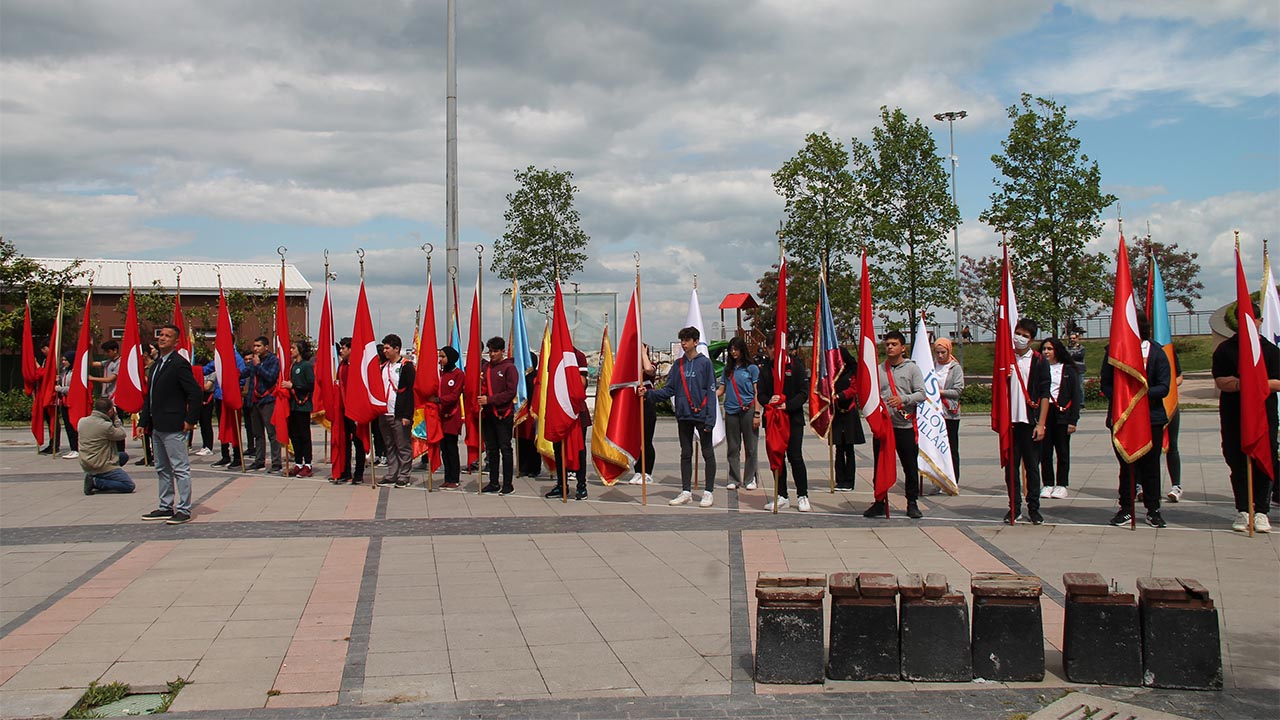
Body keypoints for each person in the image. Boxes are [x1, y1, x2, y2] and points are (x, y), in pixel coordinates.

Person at [1211, 310, 1280, 532]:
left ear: (1259, 321)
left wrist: (1255, 382)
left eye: (1253, 320)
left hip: (1263, 416)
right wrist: (1242, 385)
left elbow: (1278, 382)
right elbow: (1221, 380)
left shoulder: (1270, 351)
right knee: (1237, 463)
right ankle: (1243, 510)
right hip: (1233, 415)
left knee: (1263, 461)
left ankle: (1261, 511)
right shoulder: (1226, 350)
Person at [1101, 313, 1171, 528]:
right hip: (1123, 418)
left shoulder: (1157, 352)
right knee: (1127, 466)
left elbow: (1164, 387)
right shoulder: (1113, 352)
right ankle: (1125, 508)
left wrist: (1139, 396)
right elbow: (1106, 384)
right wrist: (1123, 399)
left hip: (1151, 419)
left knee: (1150, 467)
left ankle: (1153, 509)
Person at [640, 326, 717, 507]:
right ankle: (686, 491)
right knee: (686, 453)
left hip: (702, 415)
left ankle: (708, 492)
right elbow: (668, 390)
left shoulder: (705, 363)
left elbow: (712, 392)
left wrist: (711, 419)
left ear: (695, 342)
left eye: (687, 340)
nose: (684, 343)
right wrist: (649, 394)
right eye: (682, 340)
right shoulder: (678, 365)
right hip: (684, 415)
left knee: (707, 453)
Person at [139, 323, 202, 524]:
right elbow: (150, 396)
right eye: (161, 335)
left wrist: (190, 419)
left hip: (174, 424)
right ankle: (165, 506)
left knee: (179, 467)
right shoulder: (157, 364)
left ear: (176, 341)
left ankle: (183, 508)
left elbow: (195, 393)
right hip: (157, 424)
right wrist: (144, 420)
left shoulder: (178, 364)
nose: (162, 338)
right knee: (162, 468)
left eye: (167, 336)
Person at [862, 330, 926, 519]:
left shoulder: (912, 369)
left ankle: (912, 502)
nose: (890, 347)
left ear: (903, 348)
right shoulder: (879, 369)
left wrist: (903, 399)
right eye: (887, 344)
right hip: (884, 428)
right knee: (880, 465)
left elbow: (922, 394)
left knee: (909, 466)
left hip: (904, 427)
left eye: (894, 344)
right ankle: (879, 501)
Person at [1005, 318, 1051, 525]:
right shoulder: (1005, 359)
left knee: (1032, 467)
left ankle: (1034, 507)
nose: (1020, 338)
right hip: (1010, 422)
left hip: (1029, 421)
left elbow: (1044, 393)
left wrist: (1041, 424)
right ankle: (1013, 507)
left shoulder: (1039, 361)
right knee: (1011, 468)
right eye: (1018, 333)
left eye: (1025, 336)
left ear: (1031, 340)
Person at [758, 336, 809, 512]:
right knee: (777, 457)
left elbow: (804, 393)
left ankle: (803, 495)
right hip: (773, 420)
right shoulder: (765, 368)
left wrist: (788, 405)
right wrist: (769, 401)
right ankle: (781, 495)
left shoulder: (795, 365)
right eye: (770, 347)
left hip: (792, 418)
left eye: (776, 346)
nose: (773, 350)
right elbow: (761, 394)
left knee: (795, 456)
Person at [1038, 337, 1082, 500]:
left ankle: (1062, 484)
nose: (1046, 352)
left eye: (1049, 349)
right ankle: (1048, 483)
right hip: (1045, 413)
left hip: (1062, 414)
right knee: (1045, 451)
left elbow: (1076, 395)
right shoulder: (1040, 368)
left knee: (1062, 451)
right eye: (1044, 349)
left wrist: (1073, 420)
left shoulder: (1068, 369)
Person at [547, 345, 591, 500]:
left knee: (579, 449)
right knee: (558, 449)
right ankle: (561, 484)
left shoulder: (578, 356)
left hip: (576, 410)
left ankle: (581, 486)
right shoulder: (553, 357)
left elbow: (582, 383)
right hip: (558, 410)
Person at [478, 336, 518, 495]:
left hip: (503, 415)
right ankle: (493, 482)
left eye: (495, 351)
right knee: (492, 450)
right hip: (488, 415)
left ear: (502, 351)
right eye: (490, 351)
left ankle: (508, 484)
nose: (492, 354)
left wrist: (490, 399)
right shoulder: (486, 368)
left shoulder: (509, 368)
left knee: (505, 449)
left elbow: (510, 392)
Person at [719, 337, 759, 492]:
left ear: (743, 350)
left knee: (751, 447)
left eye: (736, 349)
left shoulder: (752, 369)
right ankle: (734, 478)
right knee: (733, 447)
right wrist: (707, 397)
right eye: (731, 349)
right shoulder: (727, 370)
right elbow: (721, 390)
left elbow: (757, 392)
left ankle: (750, 478)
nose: (733, 352)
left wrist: (757, 413)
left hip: (748, 410)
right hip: (731, 411)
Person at [376, 334, 415, 488]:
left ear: (396, 348)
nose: (384, 350)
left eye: (387, 348)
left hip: (399, 414)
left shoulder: (406, 366)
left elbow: (411, 391)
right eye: (384, 347)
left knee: (403, 445)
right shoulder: (383, 367)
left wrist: (407, 415)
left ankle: (404, 475)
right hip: (384, 413)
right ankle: (392, 473)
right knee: (389, 445)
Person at [78, 397, 135, 495]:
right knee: (128, 485)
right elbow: (121, 434)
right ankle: (96, 481)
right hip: (101, 464)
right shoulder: (105, 426)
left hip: (86, 461)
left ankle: (94, 475)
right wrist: (116, 418)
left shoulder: (82, 421)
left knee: (123, 456)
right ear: (109, 411)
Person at [244, 336, 283, 473]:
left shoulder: (272, 360)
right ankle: (259, 460)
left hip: (267, 401)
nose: (255, 349)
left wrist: (258, 366)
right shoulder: (254, 361)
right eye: (254, 346)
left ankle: (276, 462)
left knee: (272, 433)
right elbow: (244, 373)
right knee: (257, 433)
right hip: (254, 401)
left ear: (266, 347)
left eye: (258, 346)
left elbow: (270, 377)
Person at [204, 352, 247, 469]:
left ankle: (237, 456)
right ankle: (225, 455)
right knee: (222, 426)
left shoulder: (237, 358)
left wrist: (234, 387)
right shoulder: (221, 355)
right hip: (219, 395)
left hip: (231, 396)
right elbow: (208, 368)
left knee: (234, 427)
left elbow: (242, 376)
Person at [831, 347, 865, 492]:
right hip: (837, 412)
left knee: (849, 448)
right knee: (839, 447)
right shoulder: (833, 374)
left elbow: (854, 389)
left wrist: (840, 396)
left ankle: (849, 481)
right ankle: (840, 479)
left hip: (849, 412)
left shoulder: (852, 372)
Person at [333, 337, 365, 485]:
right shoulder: (342, 366)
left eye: (344, 348)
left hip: (357, 410)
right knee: (344, 442)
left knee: (358, 442)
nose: (341, 351)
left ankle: (359, 474)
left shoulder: (359, 366)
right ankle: (345, 471)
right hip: (343, 410)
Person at [933, 337, 964, 487]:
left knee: (951, 447)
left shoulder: (955, 368)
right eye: (937, 352)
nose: (940, 356)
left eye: (943, 352)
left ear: (948, 351)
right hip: (934, 413)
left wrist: (940, 392)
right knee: (936, 448)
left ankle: (953, 478)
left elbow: (958, 390)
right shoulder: (932, 366)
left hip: (949, 412)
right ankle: (938, 478)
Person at [282, 340, 315, 477]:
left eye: (293, 348)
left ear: (300, 350)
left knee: (304, 435)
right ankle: (298, 462)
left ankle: (308, 463)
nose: (291, 350)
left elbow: (310, 386)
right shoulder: (292, 366)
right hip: (293, 405)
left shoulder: (306, 366)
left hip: (303, 405)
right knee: (294, 435)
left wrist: (293, 387)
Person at [434, 346, 465, 489]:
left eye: (443, 357)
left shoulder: (458, 374)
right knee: (444, 448)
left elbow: (454, 395)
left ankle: (455, 478)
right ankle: (447, 477)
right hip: (440, 416)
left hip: (452, 416)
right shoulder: (440, 374)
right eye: (439, 357)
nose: (440, 360)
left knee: (451, 447)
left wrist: (439, 400)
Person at [627, 344, 659, 485]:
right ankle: (638, 471)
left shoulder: (650, 366)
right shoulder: (631, 369)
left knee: (646, 440)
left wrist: (643, 354)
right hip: (634, 406)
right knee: (636, 441)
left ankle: (648, 472)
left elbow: (648, 369)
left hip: (647, 405)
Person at [89, 340, 124, 453]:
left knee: (117, 424)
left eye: (108, 351)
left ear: (115, 350)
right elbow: (92, 363)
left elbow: (111, 379)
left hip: (115, 397)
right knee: (107, 424)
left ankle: (120, 449)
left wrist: (92, 379)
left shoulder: (120, 362)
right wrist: (89, 348)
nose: (106, 354)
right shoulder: (108, 362)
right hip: (106, 397)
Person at [1164, 356, 1185, 502]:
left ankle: (1176, 486)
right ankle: (1140, 485)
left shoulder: (1168, 351)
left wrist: (1166, 385)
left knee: (1172, 445)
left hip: (1168, 403)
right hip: (1145, 404)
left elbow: (1179, 377)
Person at [53, 351, 79, 459]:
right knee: (67, 426)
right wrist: (58, 381)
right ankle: (73, 448)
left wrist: (60, 389)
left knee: (73, 425)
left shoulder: (74, 372)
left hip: (72, 401)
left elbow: (74, 388)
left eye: (66, 360)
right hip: (64, 402)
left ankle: (77, 448)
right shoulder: (64, 371)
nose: (63, 362)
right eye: (63, 360)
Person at [1067, 332, 1087, 408]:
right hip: (1070, 369)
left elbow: (1080, 356)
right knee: (1070, 387)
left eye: (1074, 338)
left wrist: (1071, 354)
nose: (1072, 340)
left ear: (1077, 339)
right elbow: (1066, 356)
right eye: (1071, 338)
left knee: (1080, 387)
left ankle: (1081, 403)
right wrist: (1074, 354)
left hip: (1080, 370)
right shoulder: (1067, 348)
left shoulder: (1082, 348)